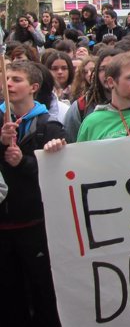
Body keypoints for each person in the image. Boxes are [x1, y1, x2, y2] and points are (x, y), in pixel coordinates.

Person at [0, 61, 66, 327]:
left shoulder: (50, 127)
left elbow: (61, 172)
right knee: (8, 296)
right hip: (3, 228)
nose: (9, 84)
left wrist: (24, 162)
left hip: (36, 226)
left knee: (43, 293)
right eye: (7, 79)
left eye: (16, 79)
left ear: (34, 87)